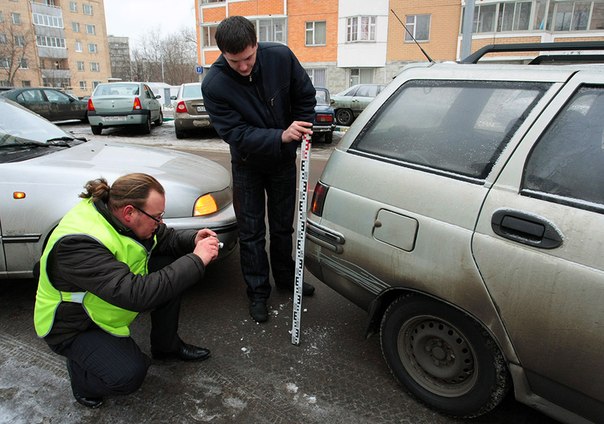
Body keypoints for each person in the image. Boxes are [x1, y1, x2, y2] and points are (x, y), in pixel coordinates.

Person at [33, 173, 220, 409]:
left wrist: (193, 239)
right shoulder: (78, 244)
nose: (160, 222)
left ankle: (166, 347)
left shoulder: (119, 214)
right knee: (128, 374)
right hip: (75, 325)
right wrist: (197, 259)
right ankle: (81, 376)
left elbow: (164, 237)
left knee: (169, 268)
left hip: (104, 302)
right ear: (130, 212)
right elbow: (135, 295)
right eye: (157, 216)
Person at [202, 16, 317, 324]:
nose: (243, 66)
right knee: (252, 233)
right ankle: (257, 293)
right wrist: (280, 135)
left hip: (282, 163)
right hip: (247, 165)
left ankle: (286, 279)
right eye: (234, 61)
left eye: (249, 58)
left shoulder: (280, 56)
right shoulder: (214, 84)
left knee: (282, 228)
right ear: (223, 54)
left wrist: (301, 129)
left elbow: (305, 96)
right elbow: (234, 133)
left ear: (256, 43)